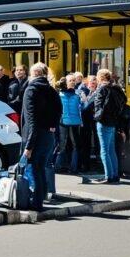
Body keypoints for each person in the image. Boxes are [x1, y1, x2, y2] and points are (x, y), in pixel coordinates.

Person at [21, 63, 62, 211]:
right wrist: (53, 126)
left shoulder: (31, 90)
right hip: (48, 136)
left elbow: (32, 120)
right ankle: (41, 199)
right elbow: (59, 111)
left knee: (33, 168)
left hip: (36, 136)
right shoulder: (51, 90)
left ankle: (36, 203)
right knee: (41, 168)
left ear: (33, 74)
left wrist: (29, 146)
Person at [93, 69, 127, 183]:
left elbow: (98, 105)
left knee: (104, 151)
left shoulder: (102, 89)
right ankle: (114, 175)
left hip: (103, 122)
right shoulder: (115, 89)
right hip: (113, 122)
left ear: (100, 78)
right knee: (111, 150)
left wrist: (98, 117)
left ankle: (108, 176)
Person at [59, 74, 83, 174]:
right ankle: (62, 166)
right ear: (65, 82)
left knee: (75, 145)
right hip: (63, 122)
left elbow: (83, 106)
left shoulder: (79, 93)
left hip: (75, 122)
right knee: (63, 144)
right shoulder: (59, 94)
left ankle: (74, 167)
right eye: (70, 80)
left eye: (74, 80)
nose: (72, 82)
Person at [80, 75, 99, 172]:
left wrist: (85, 100)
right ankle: (86, 164)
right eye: (91, 82)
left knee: (97, 142)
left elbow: (87, 106)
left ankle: (97, 165)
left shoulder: (97, 93)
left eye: (94, 82)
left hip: (95, 121)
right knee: (86, 143)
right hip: (85, 122)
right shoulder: (84, 91)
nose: (92, 84)